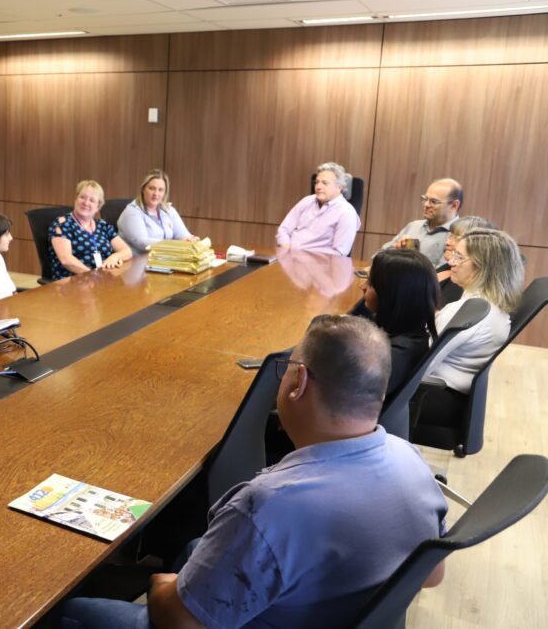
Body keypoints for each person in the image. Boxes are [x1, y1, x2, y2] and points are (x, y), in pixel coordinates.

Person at [60, 316, 447, 629]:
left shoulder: (270, 503)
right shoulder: (412, 461)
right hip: (334, 607)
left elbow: (181, 622)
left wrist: (162, 587)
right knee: (195, 550)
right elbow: (432, 576)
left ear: (299, 383)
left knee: (76, 610)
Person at [416, 229, 524, 424]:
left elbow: (421, 367)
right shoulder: (490, 306)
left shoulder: (469, 311)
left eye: (459, 257)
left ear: (483, 267)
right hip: (452, 395)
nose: (451, 262)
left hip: (432, 395)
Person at [357, 249, 439, 398]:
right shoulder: (408, 336)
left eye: (370, 283)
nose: (361, 286)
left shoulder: (396, 355)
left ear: (391, 295)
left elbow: (348, 396)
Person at [49, 180, 132, 280]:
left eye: (92, 200)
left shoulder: (103, 225)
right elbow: (66, 260)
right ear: (75, 199)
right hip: (73, 282)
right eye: (82, 197)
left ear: (98, 206)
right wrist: (92, 275)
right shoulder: (62, 224)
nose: (86, 202)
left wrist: (114, 257)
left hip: (102, 281)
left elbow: (127, 251)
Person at [276, 162, 360, 256]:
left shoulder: (347, 212)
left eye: (324, 183)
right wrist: (287, 252)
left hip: (319, 267)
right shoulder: (306, 201)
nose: (318, 187)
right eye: (317, 182)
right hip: (289, 261)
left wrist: (304, 258)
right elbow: (284, 230)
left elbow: (339, 253)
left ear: (339, 187)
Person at [382, 178, 463, 267]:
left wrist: (408, 259)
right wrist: (397, 253)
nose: (426, 205)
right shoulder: (414, 226)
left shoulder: (462, 235)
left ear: (454, 205)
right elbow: (379, 256)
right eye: (425, 199)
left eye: (434, 202)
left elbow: (443, 275)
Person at [116, 170, 199, 253]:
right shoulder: (132, 212)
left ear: (165, 193)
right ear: (143, 189)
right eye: (152, 188)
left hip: (162, 260)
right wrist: (174, 245)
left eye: (160, 190)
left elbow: (183, 235)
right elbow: (142, 242)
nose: (156, 193)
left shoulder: (168, 210)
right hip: (137, 262)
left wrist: (190, 240)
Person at [435, 216, 498, 305]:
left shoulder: (463, 283)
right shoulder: (448, 267)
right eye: (450, 236)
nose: (447, 243)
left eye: (456, 238)